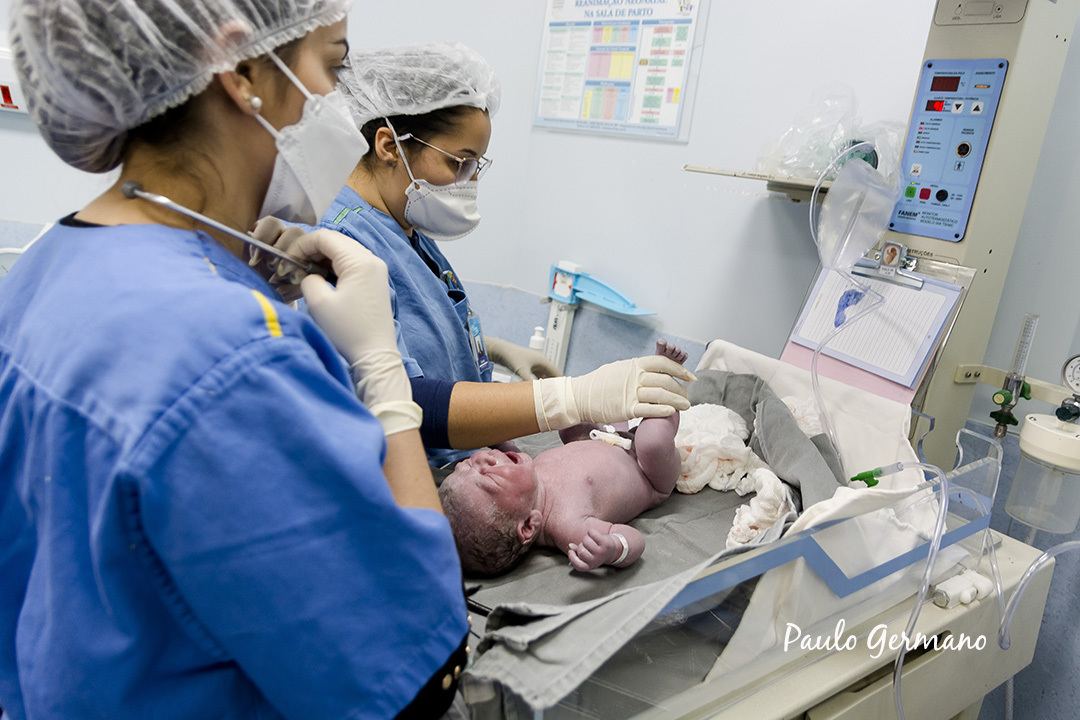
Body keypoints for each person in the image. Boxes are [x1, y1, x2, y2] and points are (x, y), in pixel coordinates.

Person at [0, 2, 467, 718]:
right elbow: (417, 673)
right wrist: (383, 376)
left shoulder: (39, 273)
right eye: (333, 66)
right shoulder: (233, 353)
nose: (340, 103)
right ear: (244, 69)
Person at [254, 42, 695, 468]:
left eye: (477, 165)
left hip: (461, 455)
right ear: (390, 146)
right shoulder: (336, 241)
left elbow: (418, 325)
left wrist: (494, 350)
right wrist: (572, 398)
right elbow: (402, 400)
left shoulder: (400, 221)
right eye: (459, 161)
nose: (468, 181)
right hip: (408, 474)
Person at [439, 340, 688, 577]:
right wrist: (613, 548)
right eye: (486, 476)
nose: (482, 459)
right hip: (647, 471)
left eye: (467, 464)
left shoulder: (527, 482)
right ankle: (663, 381)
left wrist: (498, 436)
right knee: (652, 441)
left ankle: (646, 379)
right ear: (527, 526)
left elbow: (504, 449)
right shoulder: (568, 525)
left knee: (569, 425)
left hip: (604, 437)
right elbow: (635, 540)